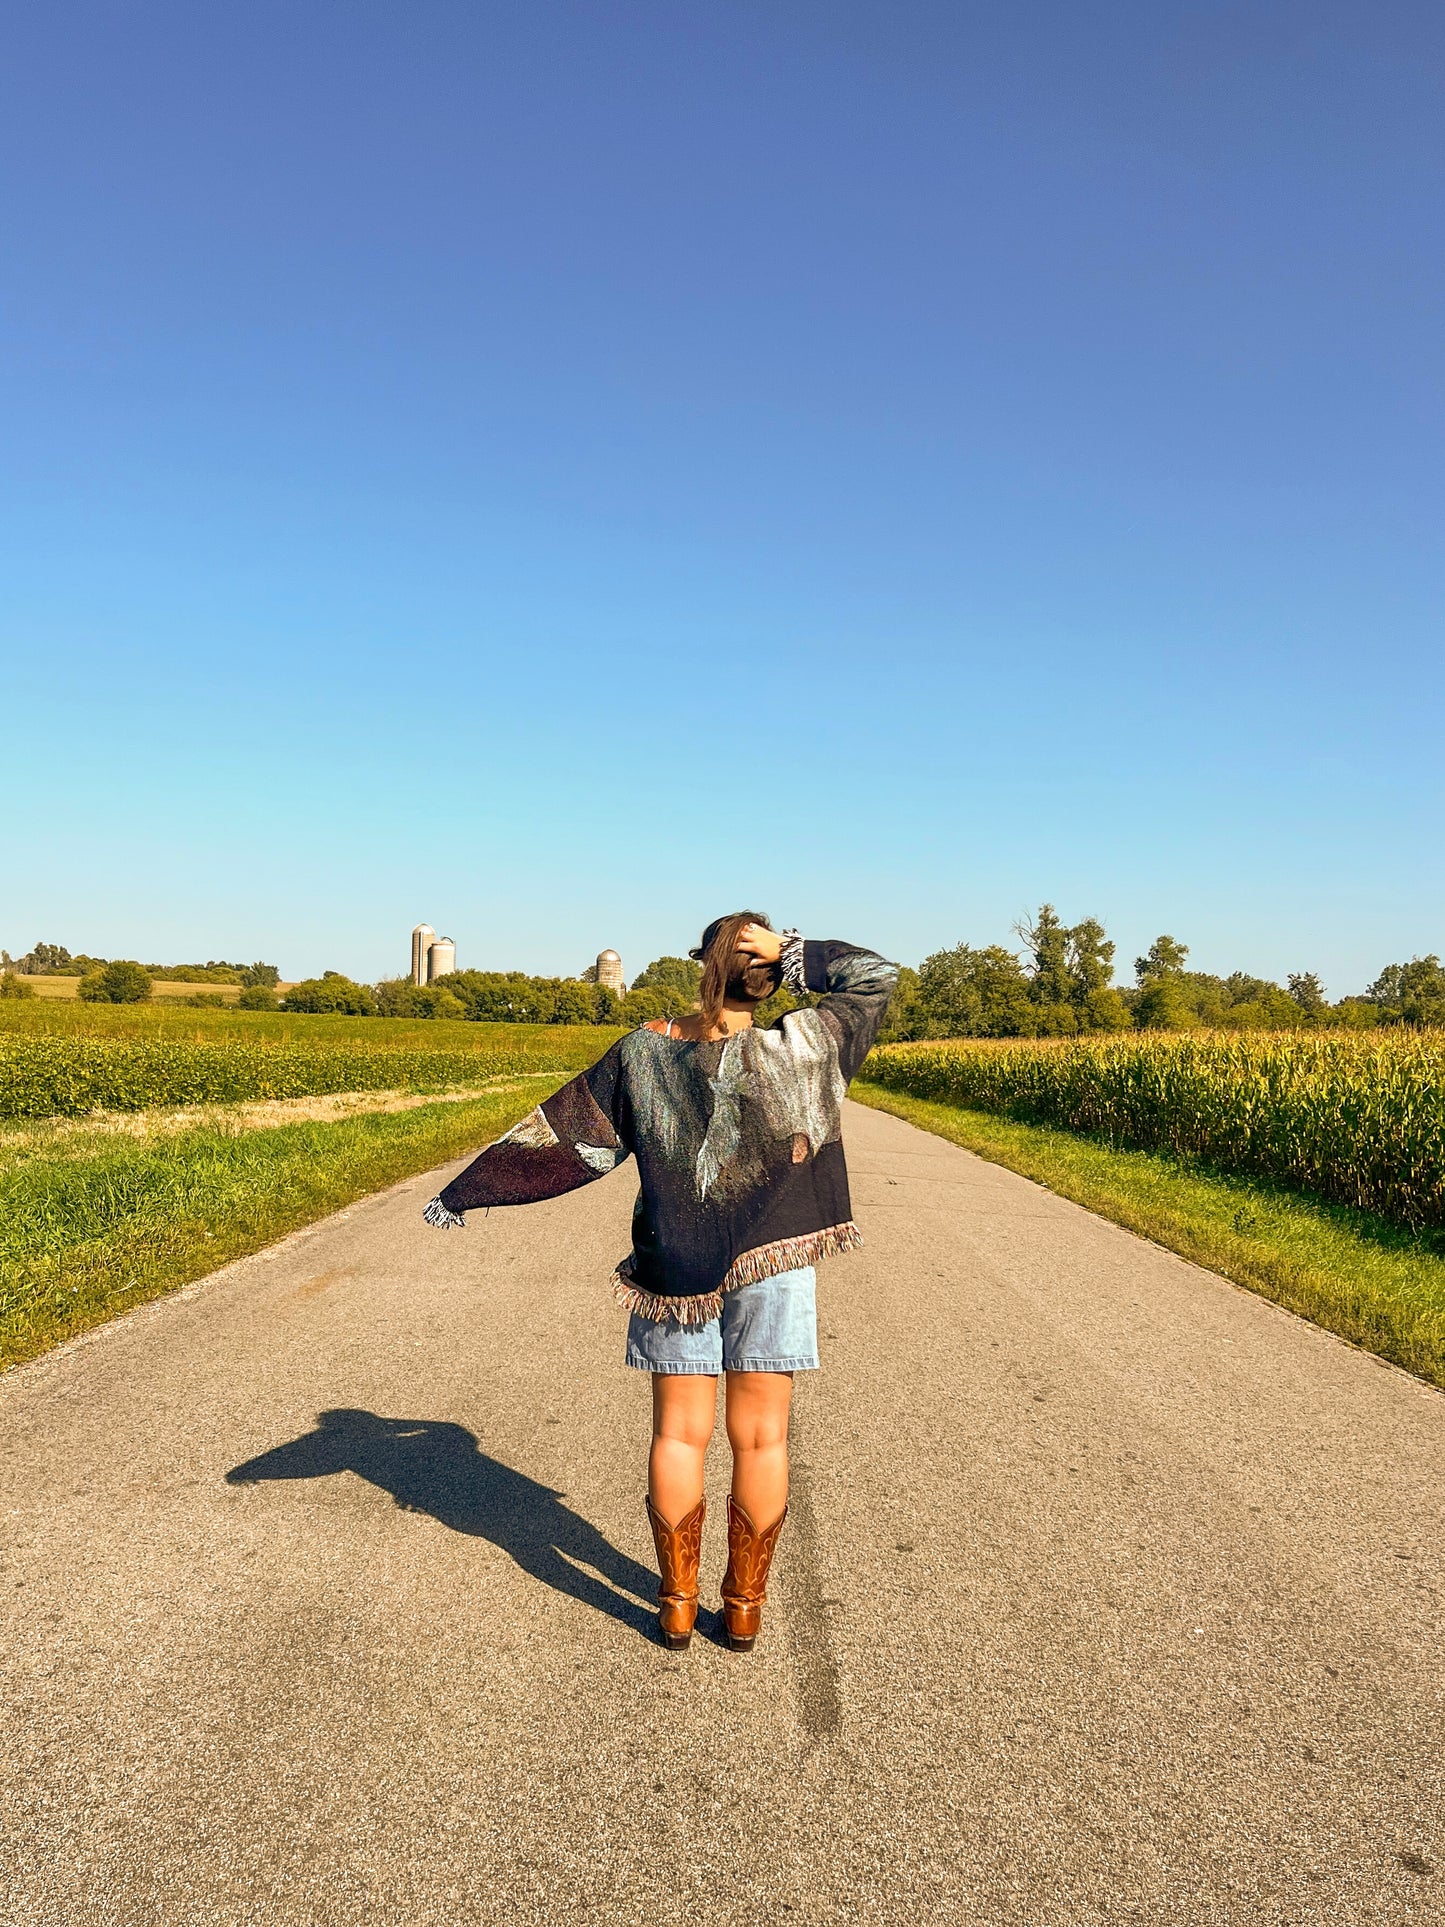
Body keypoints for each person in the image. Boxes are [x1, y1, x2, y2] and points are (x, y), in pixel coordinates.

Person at [424, 915, 898, 1651]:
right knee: (762, 1437)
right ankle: (742, 1608)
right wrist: (792, 952)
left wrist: (466, 1189)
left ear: (697, 964)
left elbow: (564, 1138)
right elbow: (875, 978)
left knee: (677, 1433)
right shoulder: (802, 1043)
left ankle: (676, 1604)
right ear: (771, 973)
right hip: (777, 1261)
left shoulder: (642, 1051)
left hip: (674, 1263)